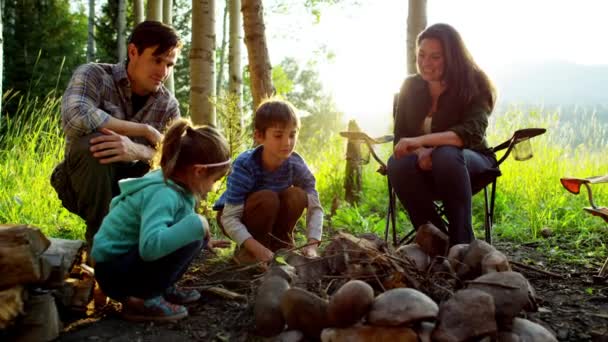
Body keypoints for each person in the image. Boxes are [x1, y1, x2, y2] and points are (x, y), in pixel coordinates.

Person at [50, 21, 182, 250]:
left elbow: (177, 158)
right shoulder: (94, 74)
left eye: (170, 64)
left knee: (170, 174)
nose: (164, 72)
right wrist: (144, 131)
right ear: (133, 52)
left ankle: (153, 243)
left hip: (135, 189)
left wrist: (137, 150)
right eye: (157, 60)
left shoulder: (168, 105)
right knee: (93, 144)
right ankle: (101, 246)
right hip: (83, 183)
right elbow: (75, 117)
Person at [91, 120, 232, 322]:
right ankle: (142, 298)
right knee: (194, 226)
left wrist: (202, 237)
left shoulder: (179, 187)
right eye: (215, 180)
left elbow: (176, 227)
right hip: (114, 271)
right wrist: (197, 223)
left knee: (195, 234)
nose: (212, 188)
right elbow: (150, 247)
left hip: (127, 263)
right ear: (198, 171)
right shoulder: (163, 193)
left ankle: (161, 287)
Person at [387, 23, 497, 246]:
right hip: (425, 165)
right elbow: (401, 138)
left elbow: (470, 134)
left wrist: (423, 143)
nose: (426, 63)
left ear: (452, 57)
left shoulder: (475, 83)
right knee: (397, 163)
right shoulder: (410, 86)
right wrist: (419, 153)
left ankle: (462, 243)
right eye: (422, 55)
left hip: (471, 160)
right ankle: (435, 237)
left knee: (445, 154)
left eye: (435, 57)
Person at [213, 99, 324, 264]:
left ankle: (281, 242)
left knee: (297, 195)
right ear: (259, 136)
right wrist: (259, 250)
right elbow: (229, 218)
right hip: (237, 216)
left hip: (273, 214)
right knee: (267, 198)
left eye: (292, 135)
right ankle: (250, 251)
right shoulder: (246, 164)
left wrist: (312, 245)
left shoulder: (296, 164)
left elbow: (315, 207)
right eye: (278, 135)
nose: (287, 143)